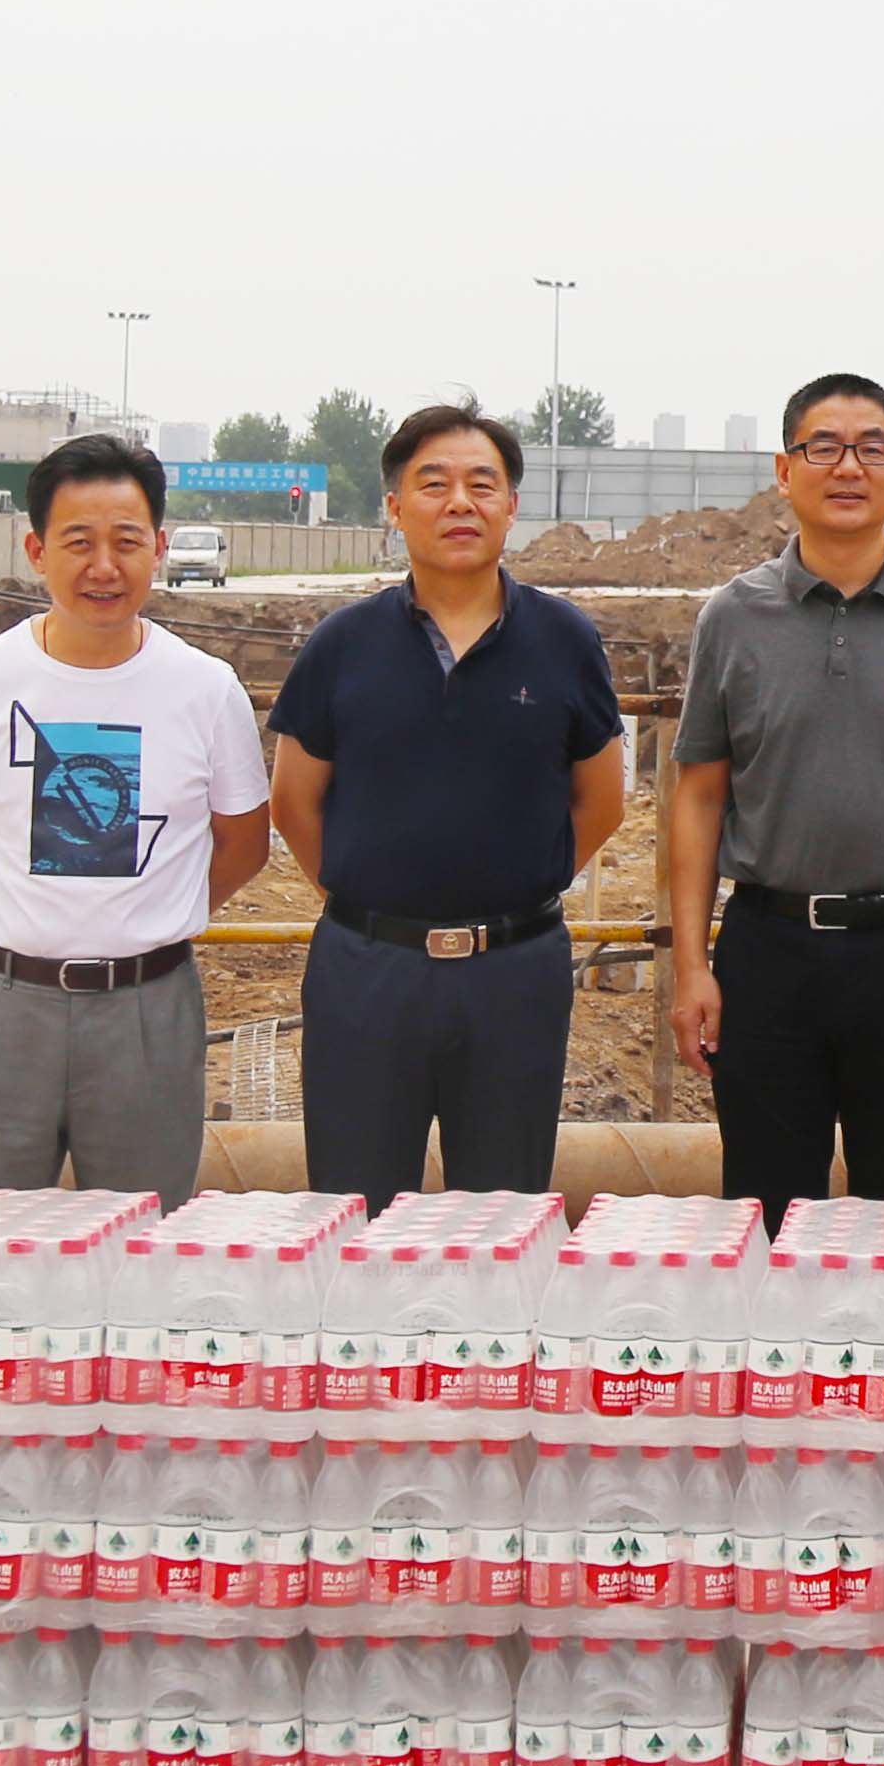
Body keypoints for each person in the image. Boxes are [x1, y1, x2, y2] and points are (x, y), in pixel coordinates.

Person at [665, 371, 884, 1226]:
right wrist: (692, 965)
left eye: (871, 449)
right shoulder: (733, 617)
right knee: (766, 1211)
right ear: (785, 472)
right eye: (823, 447)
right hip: (768, 952)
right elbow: (700, 798)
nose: (848, 467)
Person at [0, 430, 274, 1202]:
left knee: (143, 1237)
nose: (105, 566)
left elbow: (244, 842)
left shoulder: (207, 690)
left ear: (158, 547)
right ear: (37, 551)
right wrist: (14, 919)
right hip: (3, 1007)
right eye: (79, 542)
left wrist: (151, 917)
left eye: (127, 541)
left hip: (150, 1011)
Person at [265, 402, 629, 1201]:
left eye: (481, 484)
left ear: (512, 506)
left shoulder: (565, 640)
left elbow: (602, 801)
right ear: (396, 508)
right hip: (367, 974)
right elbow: (293, 804)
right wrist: (373, 900)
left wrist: (517, 884)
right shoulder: (343, 644)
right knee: (355, 1208)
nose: (459, 502)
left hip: (515, 975)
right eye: (433, 484)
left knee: (501, 1214)